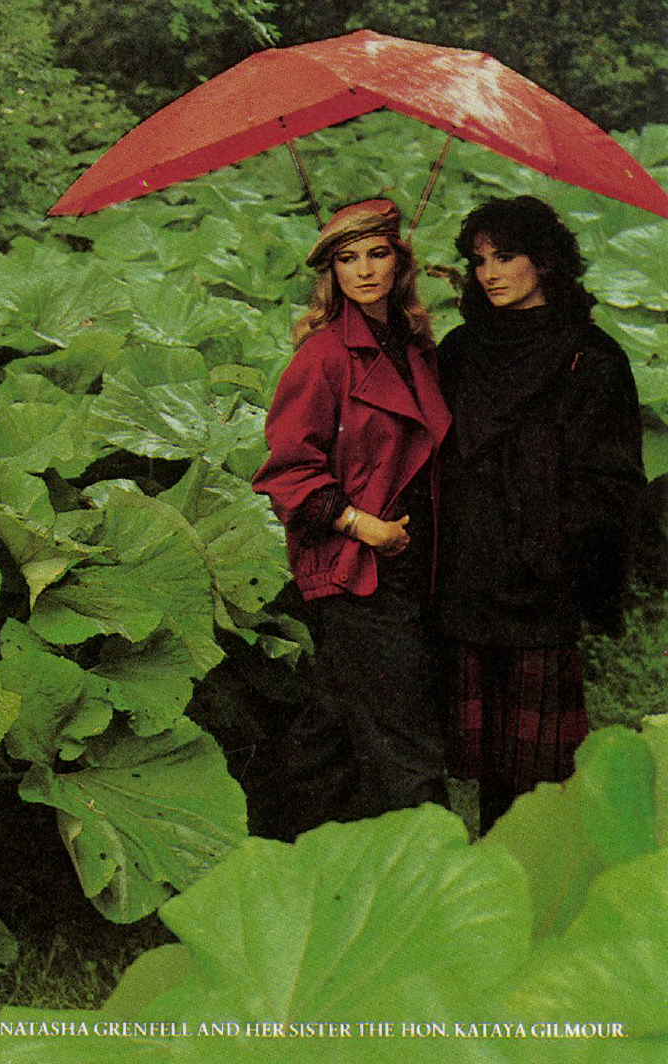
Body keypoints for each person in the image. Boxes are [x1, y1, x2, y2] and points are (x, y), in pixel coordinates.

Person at [435, 195, 645, 830]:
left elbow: (613, 483)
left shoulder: (591, 356)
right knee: (484, 758)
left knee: (538, 771)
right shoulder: (462, 350)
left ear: (546, 261)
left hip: (538, 585)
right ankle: (490, 877)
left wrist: (550, 554)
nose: (490, 273)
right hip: (467, 574)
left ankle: (537, 878)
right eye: (478, 261)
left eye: (506, 256)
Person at [251, 198, 453, 840]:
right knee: (405, 729)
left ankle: (280, 845)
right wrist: (361, 525)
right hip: (354, 566)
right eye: (347, 258)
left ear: (401, 262)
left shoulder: (413, 348)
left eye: (377, 253)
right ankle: (439, 870)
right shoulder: (323, 357)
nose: (363, 270)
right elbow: (287, 469)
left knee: (336, 721)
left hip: (412, 560)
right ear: (330, 272)